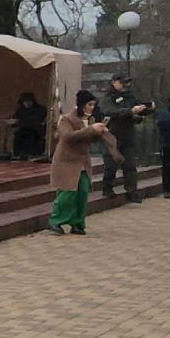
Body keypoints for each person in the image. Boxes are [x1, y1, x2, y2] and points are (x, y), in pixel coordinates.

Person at [47, 90, 118, 236]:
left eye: (93, 104)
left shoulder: (90, 119)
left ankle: (78, 224)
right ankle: (56, 221)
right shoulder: (66, 119)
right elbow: (67, 136)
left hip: (83, 162)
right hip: (66, 161)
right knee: (67, 193)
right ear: (82, 104)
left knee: (82, 192)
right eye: (89, 104)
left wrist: (100, 133)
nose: (91, 107)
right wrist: (90, 130)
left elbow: (89, 139)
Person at [99, 73, 149, 202]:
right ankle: (107, 189)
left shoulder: (129, 96)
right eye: (122, 83)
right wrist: (130, 112)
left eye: (126, 83)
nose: (125, 85)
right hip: (112, 135)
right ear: (114, 82)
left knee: (130, 165)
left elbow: (137, 108)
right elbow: (110, 111)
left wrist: (148, 108)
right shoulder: (107, 97)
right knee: (111, 164)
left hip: (128, 135)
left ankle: (132, 191)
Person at [11, 91, 48, 159]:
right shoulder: (20, 110)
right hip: (22, 131)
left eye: (29, 101)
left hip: (36, 131)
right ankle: (19, 155)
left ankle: (34, 154)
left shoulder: (40, 109)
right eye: (25, 102)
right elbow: (15, 119)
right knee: (18, 136)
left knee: (33, 137)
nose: (27, 103)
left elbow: (42, 120)